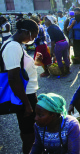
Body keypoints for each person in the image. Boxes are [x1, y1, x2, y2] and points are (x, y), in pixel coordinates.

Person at [1, 19, 39, 154]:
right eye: (33, 36)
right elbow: (13, 78)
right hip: (24, 95)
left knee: (29, 130)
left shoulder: (16, 44)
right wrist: (27, 104)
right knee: (28, 133)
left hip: (27, 94)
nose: (33, 39)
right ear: (27, 32)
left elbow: (21, 69)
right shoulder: (13, 47)